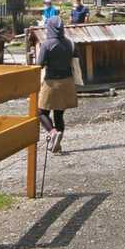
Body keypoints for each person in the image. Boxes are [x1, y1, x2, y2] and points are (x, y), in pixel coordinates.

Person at [34, 14, 77, 153]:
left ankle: (52, 133)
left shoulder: (47, 44)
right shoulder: (70, 43)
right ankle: (56, 144)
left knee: (41, 112)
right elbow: (76, 62)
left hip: (51, 83)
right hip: (67, 82)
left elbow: (39, 64)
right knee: (59, 114)